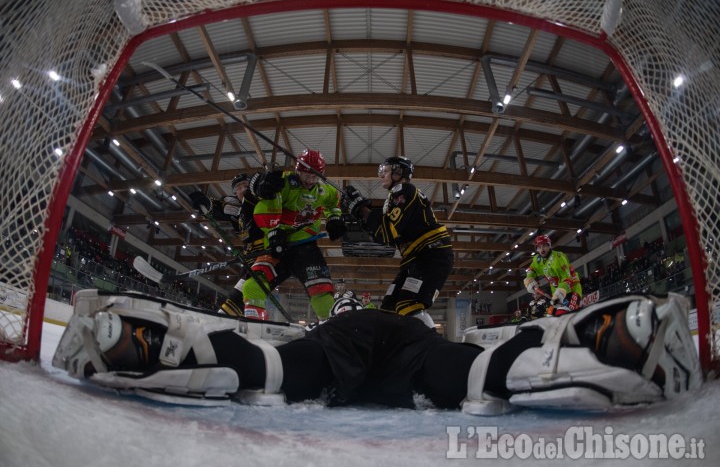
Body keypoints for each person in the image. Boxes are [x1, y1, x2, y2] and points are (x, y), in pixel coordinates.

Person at [52, 289, 702, 414]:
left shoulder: (342, 317)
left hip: (350, 340)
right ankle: (608, 341)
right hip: (411, 349)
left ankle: (152, 346)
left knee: (279, 367)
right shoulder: (407, 317)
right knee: (472, 371)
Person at [343, 156, 453, 327]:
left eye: (385, 171)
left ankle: (433, 348)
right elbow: (385, 235)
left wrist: (362, 210)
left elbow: (388, 231)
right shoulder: (394, 197)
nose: (381, 175)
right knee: (390, 307)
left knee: (409, 305)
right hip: (415, 258)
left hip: (432, 254)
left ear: (398, 172)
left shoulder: (404, 190)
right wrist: (363, 213)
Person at [241, 149, 346, 320]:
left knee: (322, 292)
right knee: (254, 284)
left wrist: (334, 219)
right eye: (306, 174)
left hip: (306, 248)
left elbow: (334, 202)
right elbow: (265, 206)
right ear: (298, 169)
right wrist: (273, 230)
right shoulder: (283, 182)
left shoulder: (325, 190)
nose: (310, 179)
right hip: (277, 246)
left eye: (315, 175)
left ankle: (331, 329)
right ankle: (253, 322)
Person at [189, 173, 265, 318]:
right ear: (235, 192)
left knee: (246, 286)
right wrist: (204, 204)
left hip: (265, 251)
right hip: (249, 253)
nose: (242, 189)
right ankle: (240, 316)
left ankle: (230, 315)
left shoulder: (260, 200)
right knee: (242, 285)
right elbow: (216, 207)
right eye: (238, 187)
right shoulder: (233, 206)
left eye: (245, 185)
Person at [523, 234, 583, 316]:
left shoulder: (558, 257)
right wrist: (529, 279)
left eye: (544, 246)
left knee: (562, 314)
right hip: (556, 293)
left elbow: (568, 279)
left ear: (549, 246)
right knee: (550, 317)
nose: (542, 249)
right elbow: (532, 269)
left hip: (572, 290)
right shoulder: (537, 259)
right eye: (539, 247)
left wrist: (560, 292)